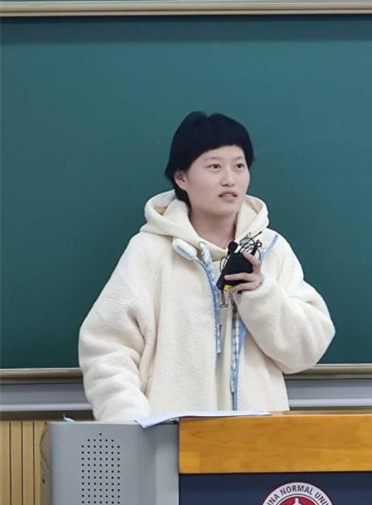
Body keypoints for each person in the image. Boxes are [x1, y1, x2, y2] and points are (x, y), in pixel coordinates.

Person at [79, 111, 335, 421]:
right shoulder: (151, 251)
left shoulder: (271, 249)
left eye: (239, 166)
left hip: (259, 436)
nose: (229, 179)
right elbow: (107, 347)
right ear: (181, 178)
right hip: (172, 435)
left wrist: (261, 294)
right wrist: (130, 421)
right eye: (214, 166)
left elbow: (304, 351)